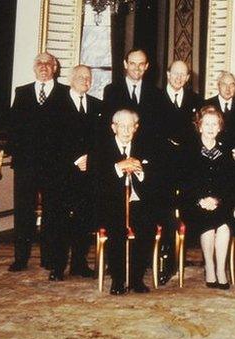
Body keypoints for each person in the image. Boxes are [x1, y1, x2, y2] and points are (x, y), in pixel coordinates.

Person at [7, 52, 68, 272]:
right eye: (39, 63)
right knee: (24, 212)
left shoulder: (65, 93)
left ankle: (50, 258)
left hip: (55, 166)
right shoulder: (21, 93)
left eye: (48, 63)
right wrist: (17, 154)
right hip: (26, 165)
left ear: (55, 68)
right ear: (34, 68)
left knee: (53, 212)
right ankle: (20, 258)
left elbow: (69, 132)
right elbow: (13, 127)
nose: (43, 66)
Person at [91, 109, 161, 295]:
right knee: (117, 228)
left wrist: (140, 172)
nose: (126, 130)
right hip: (111, 203)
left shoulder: (146, 147)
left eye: (130, 125)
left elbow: (156, 180)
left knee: (147, 227)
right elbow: (95, 180)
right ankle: (118, 279)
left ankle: (136, 278)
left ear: (136, 128)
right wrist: (117, 168)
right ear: (114, 127)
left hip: (137, 201)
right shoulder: (101, 147)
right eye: (122, 126)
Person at [47, 64, 103, 281]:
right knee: (61, 223)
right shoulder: (55, 104)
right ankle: (58, 266)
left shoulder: (97, 105)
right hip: (63, 174)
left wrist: (90, 158)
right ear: (71, 78)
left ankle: (80, 263)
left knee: (83, 220)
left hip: (88, 175)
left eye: (88, 77)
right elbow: (51, 140)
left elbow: (99, 140)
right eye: (80, 77)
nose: (85, 80)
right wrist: (75, 159)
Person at [178, 106, 235, 289]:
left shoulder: (227, 152)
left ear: (220, 128)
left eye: (215, 124)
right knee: (207, 222)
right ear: (199, 126)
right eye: (207, 124)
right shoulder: (188, 150)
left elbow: (231, 183)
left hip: (221, 201)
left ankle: (221, 270)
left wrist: (217, 200)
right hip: (194, 203)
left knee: (223, 225)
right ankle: (210, 267)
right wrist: (200, 200)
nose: (211, 128)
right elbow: (184, 182)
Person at [158, 60, 203, 285]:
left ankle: (179, 257)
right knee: (165, 212)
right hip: (160, 167)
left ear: (187, 78)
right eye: (174, 73)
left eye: (182, 75)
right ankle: (165, 259)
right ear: (168, 74)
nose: (178, 78)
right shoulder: (153, 98)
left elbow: (197, 135)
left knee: (186, 210)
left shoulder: (196, 101)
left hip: (186, 167)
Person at [101, 49, 164, 140]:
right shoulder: (111, 90)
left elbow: (157, 127)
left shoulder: (156, 93)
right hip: (120, 149)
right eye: (132, 63)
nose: (137, 68)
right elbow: (107, 124)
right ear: (125, 64)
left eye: (141, 64)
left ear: (146, 66)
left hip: (146, 149)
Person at [205, 71, 235, 146]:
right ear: (218, 85)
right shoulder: (206, 105)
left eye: (232, 85)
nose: (228, 89)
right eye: (224, 84)